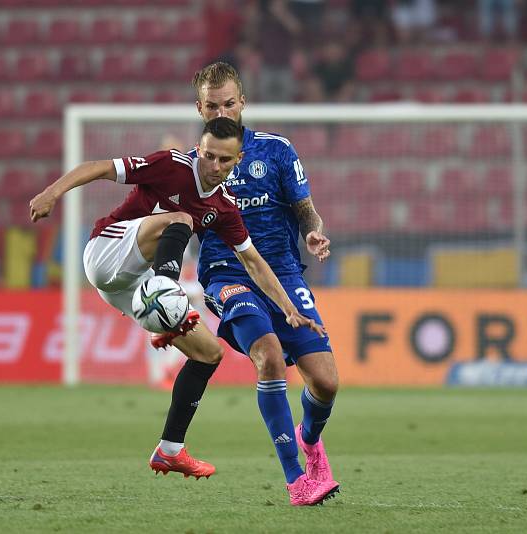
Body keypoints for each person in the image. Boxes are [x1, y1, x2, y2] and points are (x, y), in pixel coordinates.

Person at [29, 117, 338, 505]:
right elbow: (100, 168)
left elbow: (256, 263)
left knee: (211, 353)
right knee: (180, 220)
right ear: (200, 148)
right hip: (106, 252)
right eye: (207, 155)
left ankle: (170, 448)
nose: (213, 165)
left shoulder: (224, 209)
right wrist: (52, 193)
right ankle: (166, 291)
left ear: (237, 160)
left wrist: (289, 310)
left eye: (223, 160)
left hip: (129, 286)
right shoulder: (173, 166)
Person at [158, 61, 341, 506]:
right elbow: (172, 226)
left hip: (283, 273)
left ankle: (310, 440)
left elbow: (305, 210)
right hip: (226, 275)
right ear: (200, 108)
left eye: (229, 103)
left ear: (242, 102)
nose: (222, 111)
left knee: (327, 382)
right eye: (212, 105)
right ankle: (297, 479)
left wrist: (314, 230)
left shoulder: (277, 150)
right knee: (269, 356)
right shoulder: (190, 166)